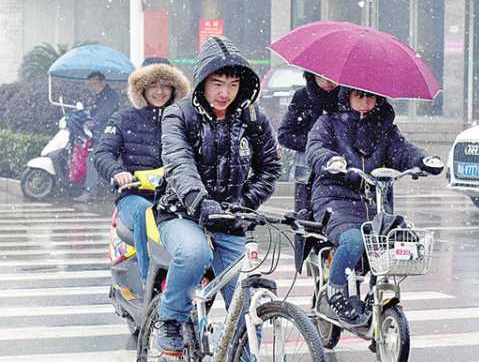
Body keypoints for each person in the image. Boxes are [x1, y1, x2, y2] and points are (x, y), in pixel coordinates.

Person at [155, 36, 281, 360]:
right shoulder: (178, 115)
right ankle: (171, 318)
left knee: (246, 294)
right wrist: (201, 203)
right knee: (195, 253)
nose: (225, 92)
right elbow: (179, 164)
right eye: (217, 83)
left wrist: (245, 202)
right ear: (201, 82)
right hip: (181, 213)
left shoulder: (253, 118)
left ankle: (241, 351)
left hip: (230, 218)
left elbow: (270, 167)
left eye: (234, 84)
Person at [306, 87, 443, 326]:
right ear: (346, 96)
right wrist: (330, 160)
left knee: (395, 243)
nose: (366, 102)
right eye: (359, 95)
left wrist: (422, 160)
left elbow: (402, 150)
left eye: (371, 96)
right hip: (334, 199)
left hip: (375, 201)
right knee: (354, 240)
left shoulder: (385, 128)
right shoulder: (328, 122)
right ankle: (335, 292)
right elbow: (315, 149)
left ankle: (374, 295)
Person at [93, 59, 190, 285]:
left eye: (165, 85)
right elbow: (102, 153)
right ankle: (150, 283)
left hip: (176, 197)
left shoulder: (184, 118)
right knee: (145, 214)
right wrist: (118, 173)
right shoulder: (124, 117)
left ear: (174, 88)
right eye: (152, 84)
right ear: (141, 88)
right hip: (134, 196)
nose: (159, 91)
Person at [277, 72, 339, 273]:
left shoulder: (348, 98)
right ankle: (316, 279)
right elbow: (285, 135)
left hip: (338, 174)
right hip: (308, 174)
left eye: (332, 77)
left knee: (335, 227)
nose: (328, 82)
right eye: (322, 77)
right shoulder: (302, 97)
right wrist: (316, 145)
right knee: (308, 226)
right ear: (312, 76)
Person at [74, 71, 120, 202]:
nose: (91, 87)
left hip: (108, 135)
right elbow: (95, 112)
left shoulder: (110, 96)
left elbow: (105, 112)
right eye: (89, 84)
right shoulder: (100, 96)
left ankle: (89, 192)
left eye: (94, 83)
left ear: (103, 82)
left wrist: (94, 121)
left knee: (92, 159)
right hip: (100, 133)